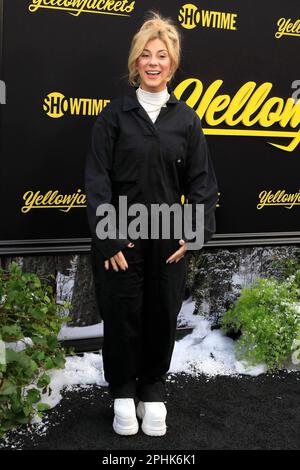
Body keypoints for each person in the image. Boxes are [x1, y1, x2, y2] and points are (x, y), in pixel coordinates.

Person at [85, 11, 219, 436]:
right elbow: (97, 181)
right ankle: (123, 390)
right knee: (122, 314)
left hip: (167, 236)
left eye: (162, 55)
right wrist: (110, 239)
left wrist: (193, 232)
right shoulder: (113, 117)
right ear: (135, 64)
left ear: (173, 64)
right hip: (120, 235)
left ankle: (153, 389)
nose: (154, 61)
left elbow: (202, 182)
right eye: (146, 55)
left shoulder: (186, 120)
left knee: (162, 313)